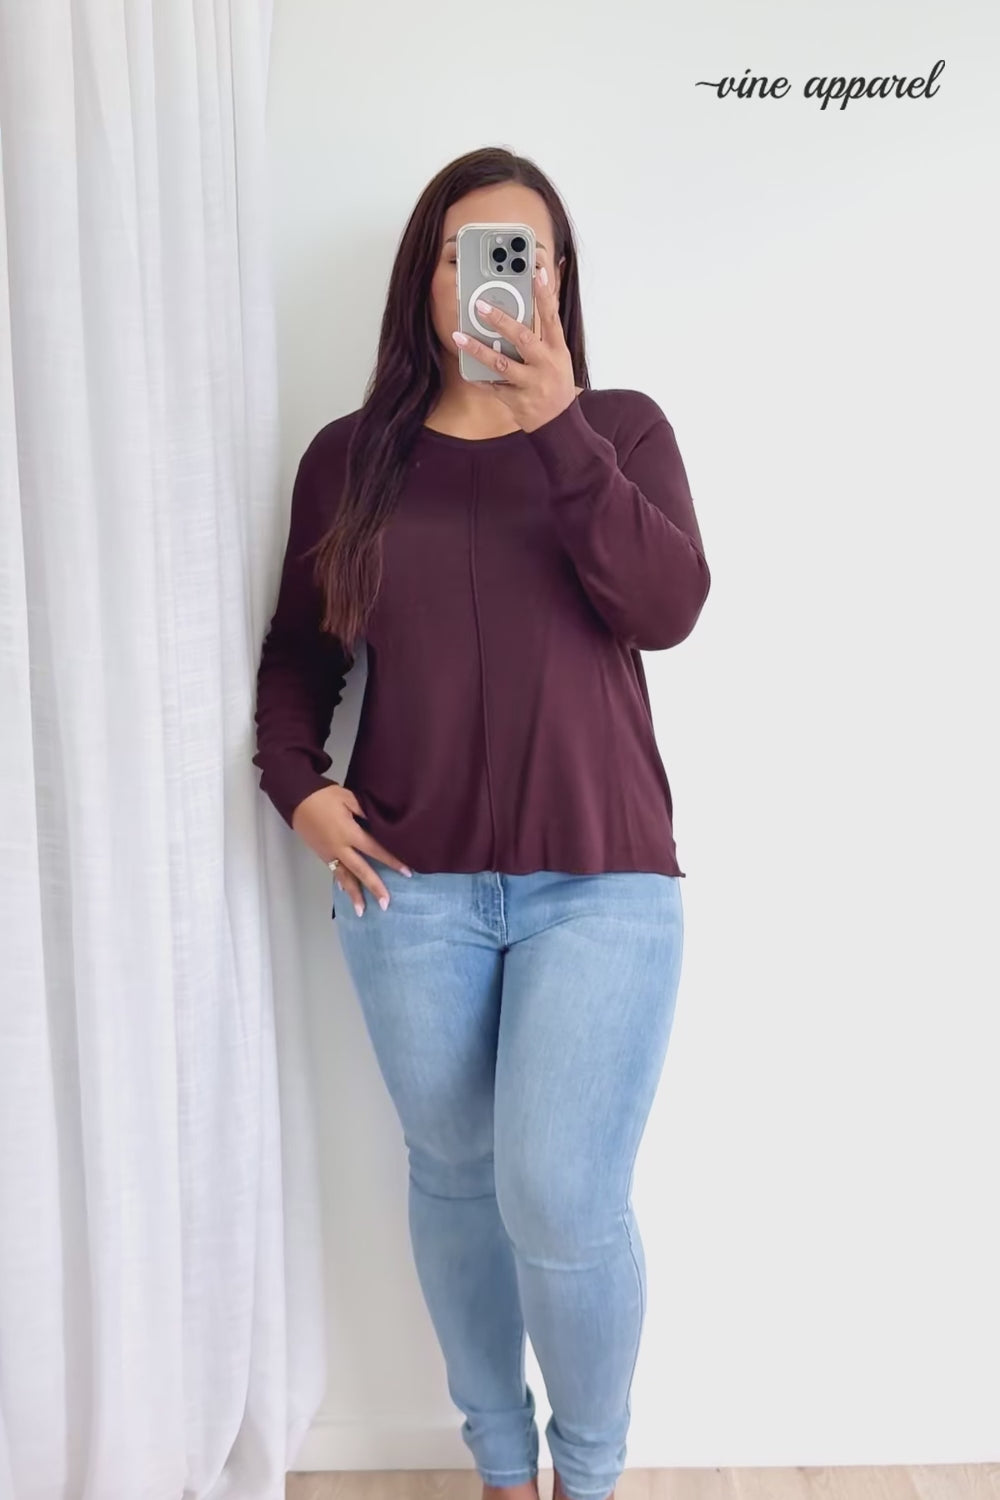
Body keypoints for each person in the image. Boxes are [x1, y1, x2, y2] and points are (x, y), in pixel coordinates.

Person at [253, 145, 711, 1500]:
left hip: (605, 884)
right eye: (469, 251)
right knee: (454, 1179)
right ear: (429, 274)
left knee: (562, 1198)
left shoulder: (621, 432)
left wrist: (555, 423)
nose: (497, 277)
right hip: (410, 889)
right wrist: (298, 783)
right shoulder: (352, 459)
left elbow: (668, 608)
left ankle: (591, 1474)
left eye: (528, 254)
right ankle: (502, 1468)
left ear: (559, 280)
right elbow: (300, 653)